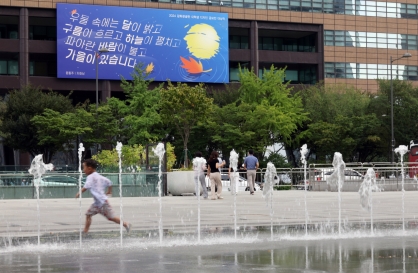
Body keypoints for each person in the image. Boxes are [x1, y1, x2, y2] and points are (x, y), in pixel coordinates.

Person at [75, 159, 131, 234]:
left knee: (111, 217)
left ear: (89, 168)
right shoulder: (99, 176)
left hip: (102, 203)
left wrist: (79, 193)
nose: (83, 170)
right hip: (98, 203)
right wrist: (109, 191)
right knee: (89, 215)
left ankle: (125, 224)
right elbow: (109, 182)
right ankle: (85, 231)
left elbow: (86, 186)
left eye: (84, 167)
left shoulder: (90, 177)